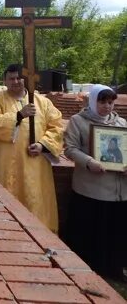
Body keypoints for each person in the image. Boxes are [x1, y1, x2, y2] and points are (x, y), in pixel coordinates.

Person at [0, 64, 64, 232]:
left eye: (19, 78)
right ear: (5, 80)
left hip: (36, 168)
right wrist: (19, 115)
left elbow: (57, 128)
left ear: (26, 79)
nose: (16, 81)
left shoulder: (43, 103)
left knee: (36, 205)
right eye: (11, 78)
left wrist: (43, 145)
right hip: (6, 166)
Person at [64, 84, 126, 279]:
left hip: (118, 190)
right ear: (93, 101)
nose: (107, 106)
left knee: (115, 232)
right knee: (92, 231)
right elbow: (70, 148)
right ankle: (88, 269)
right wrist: (89, 162)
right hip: (91, 189)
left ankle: (114, 269)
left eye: (110, 102)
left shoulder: (121, 124)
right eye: (102, 102)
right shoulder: (78, 121)